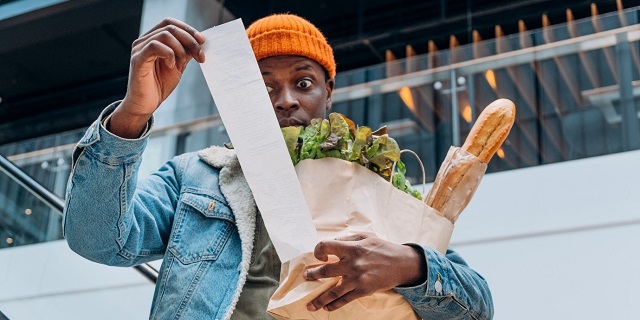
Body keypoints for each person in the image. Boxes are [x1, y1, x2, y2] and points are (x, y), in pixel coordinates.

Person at [63, 13, 493, 320]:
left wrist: (410, 265)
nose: (286, 99)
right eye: (264, 86)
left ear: (329, 92)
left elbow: (477, 307)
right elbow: (98, 240)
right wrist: (133, 113)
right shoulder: (195, 175)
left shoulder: (376, 184)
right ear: (239, 95)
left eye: (303, 83)